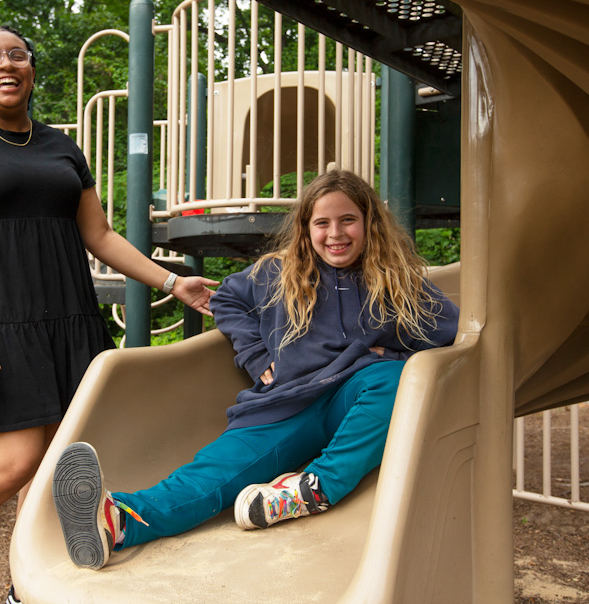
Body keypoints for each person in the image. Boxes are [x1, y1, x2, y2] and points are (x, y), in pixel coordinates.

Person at [0, 25, 217, 604]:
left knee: (52, 461)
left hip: (67, 317)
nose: (6, 64)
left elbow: (97, 233)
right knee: (12, 459)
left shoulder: (61, 146)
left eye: (17, 55)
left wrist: (172, 280)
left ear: (31, 70)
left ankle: (27, 581)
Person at [52, 169, 460, 571]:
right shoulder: (276, 274)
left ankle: (316, 487)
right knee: (211, 478)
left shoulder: (397, 281)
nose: (335, 233)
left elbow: (453, 332)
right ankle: (119, 521)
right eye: (322, 223)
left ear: (369, 224)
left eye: (348, 220)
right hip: (282, 406)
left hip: (351, 401)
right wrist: (255, 354)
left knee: (391, 379)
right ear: (306, 228)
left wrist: (394, 352)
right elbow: (227, 298)